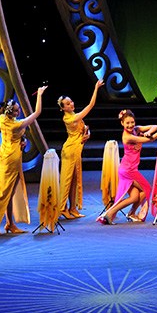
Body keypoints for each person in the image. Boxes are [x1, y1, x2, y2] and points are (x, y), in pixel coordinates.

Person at [97, 110, 157, 224]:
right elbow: (150, 139)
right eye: (127, 123)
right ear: (122, 123)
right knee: (147, 188)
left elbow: (154, 126)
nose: (130, 125)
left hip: (129, 169)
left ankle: (130, 213)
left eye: (132, 122)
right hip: (128, 170)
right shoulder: (128, 137)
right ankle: (110, 213)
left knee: (135, 197)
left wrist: (149, 132)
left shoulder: (136, 129)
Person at [0, 86, 47, 236]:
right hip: (11, 161)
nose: (18, 111)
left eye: (18, 109)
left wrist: (23, 140)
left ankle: (9, 223)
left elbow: (17, 134)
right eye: (15, 110)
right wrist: (39, 95)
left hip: (4, 157)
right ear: (9, 112)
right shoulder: (16, 124)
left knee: (7, 192)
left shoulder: (2, 119)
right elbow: (37, 113)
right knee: (4, 193)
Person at [57, 79, 104, 219]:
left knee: (74, 180)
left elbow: (83, 130)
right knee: (67, 180)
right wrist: (96, 88)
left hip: (76, 149)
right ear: (62, 108)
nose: (71, 104)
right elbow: (91, 105)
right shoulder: (69, 118)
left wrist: (87, 134)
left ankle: (72, 208)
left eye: (71, 102)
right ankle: (62, 208)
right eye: (67, 104)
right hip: (70, 150)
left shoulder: (74, 115)